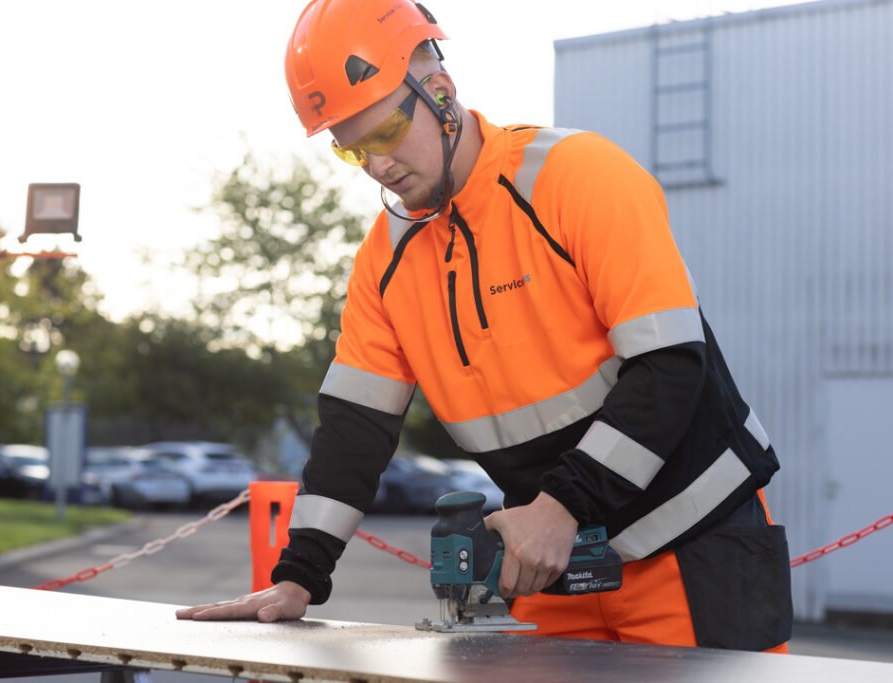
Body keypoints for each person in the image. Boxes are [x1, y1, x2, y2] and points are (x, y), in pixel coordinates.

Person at [177, 0, 793, 652]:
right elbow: (355, 427)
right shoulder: (385, 260)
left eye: (384, 134)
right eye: (354, 152)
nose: (378, 166)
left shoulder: (577, 176)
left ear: (439, 94)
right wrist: (298, 576)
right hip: (560, 563)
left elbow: (670, 365)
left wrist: (561, 508)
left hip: (694, 548)